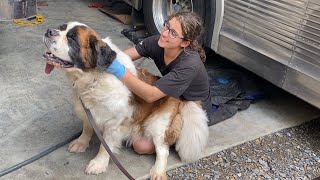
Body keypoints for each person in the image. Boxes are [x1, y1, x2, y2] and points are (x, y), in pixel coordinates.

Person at [105, 11, 214, 155]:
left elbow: (150, 96)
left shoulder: (189, 64)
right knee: (124, 119)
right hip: (170, 96)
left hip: (191, 105)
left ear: (185, 43)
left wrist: (119, 71)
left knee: (141, 146)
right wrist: (105, 59)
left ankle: (173, 136)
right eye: (167, 26)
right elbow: (123, 57)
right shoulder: (157, 42)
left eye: (173, 33)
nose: (165, 33)